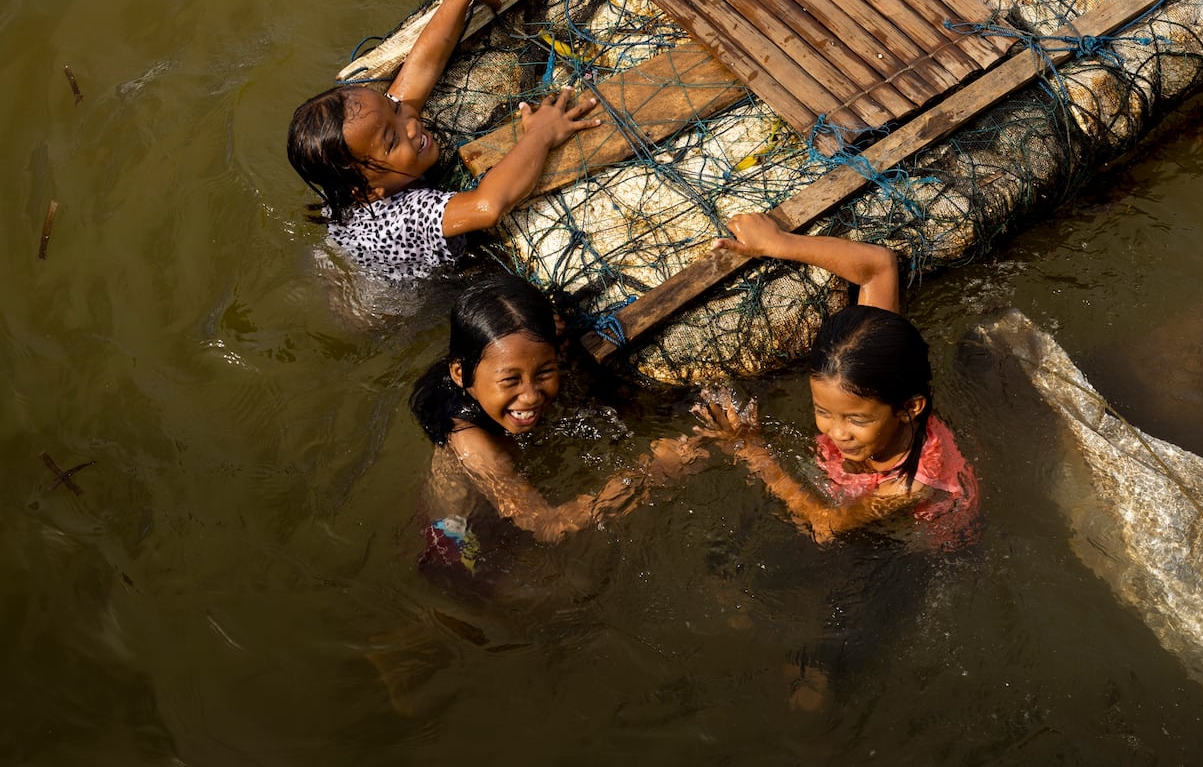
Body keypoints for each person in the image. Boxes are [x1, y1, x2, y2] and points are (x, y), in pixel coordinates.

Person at [287, 0, 601, 280]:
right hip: (389, 297)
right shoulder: (408, 218)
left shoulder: (367, 164)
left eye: (393, 109)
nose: (409, 123)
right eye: (393, 140)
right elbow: (488, 206)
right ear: (370, 192)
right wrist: (541, 134)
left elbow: (420, 68)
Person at [693, 212, 979, 552]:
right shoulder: (880, 361)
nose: (838, 433)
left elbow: (825, 525)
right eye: (823, 410)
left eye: (856, 419)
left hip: (924, 543)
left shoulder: (912, 485)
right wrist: (777, 244)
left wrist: (755, 454)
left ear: (909, 408)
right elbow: (879, 265)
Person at [409, 272, 702, 573]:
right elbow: (549, 528)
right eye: (511, 380)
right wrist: (652, 473)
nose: (531, 396)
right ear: (460, 373)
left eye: (545, 373)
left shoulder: (484, 371)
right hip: (459, 539)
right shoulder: (476, 445)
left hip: (479, 506)